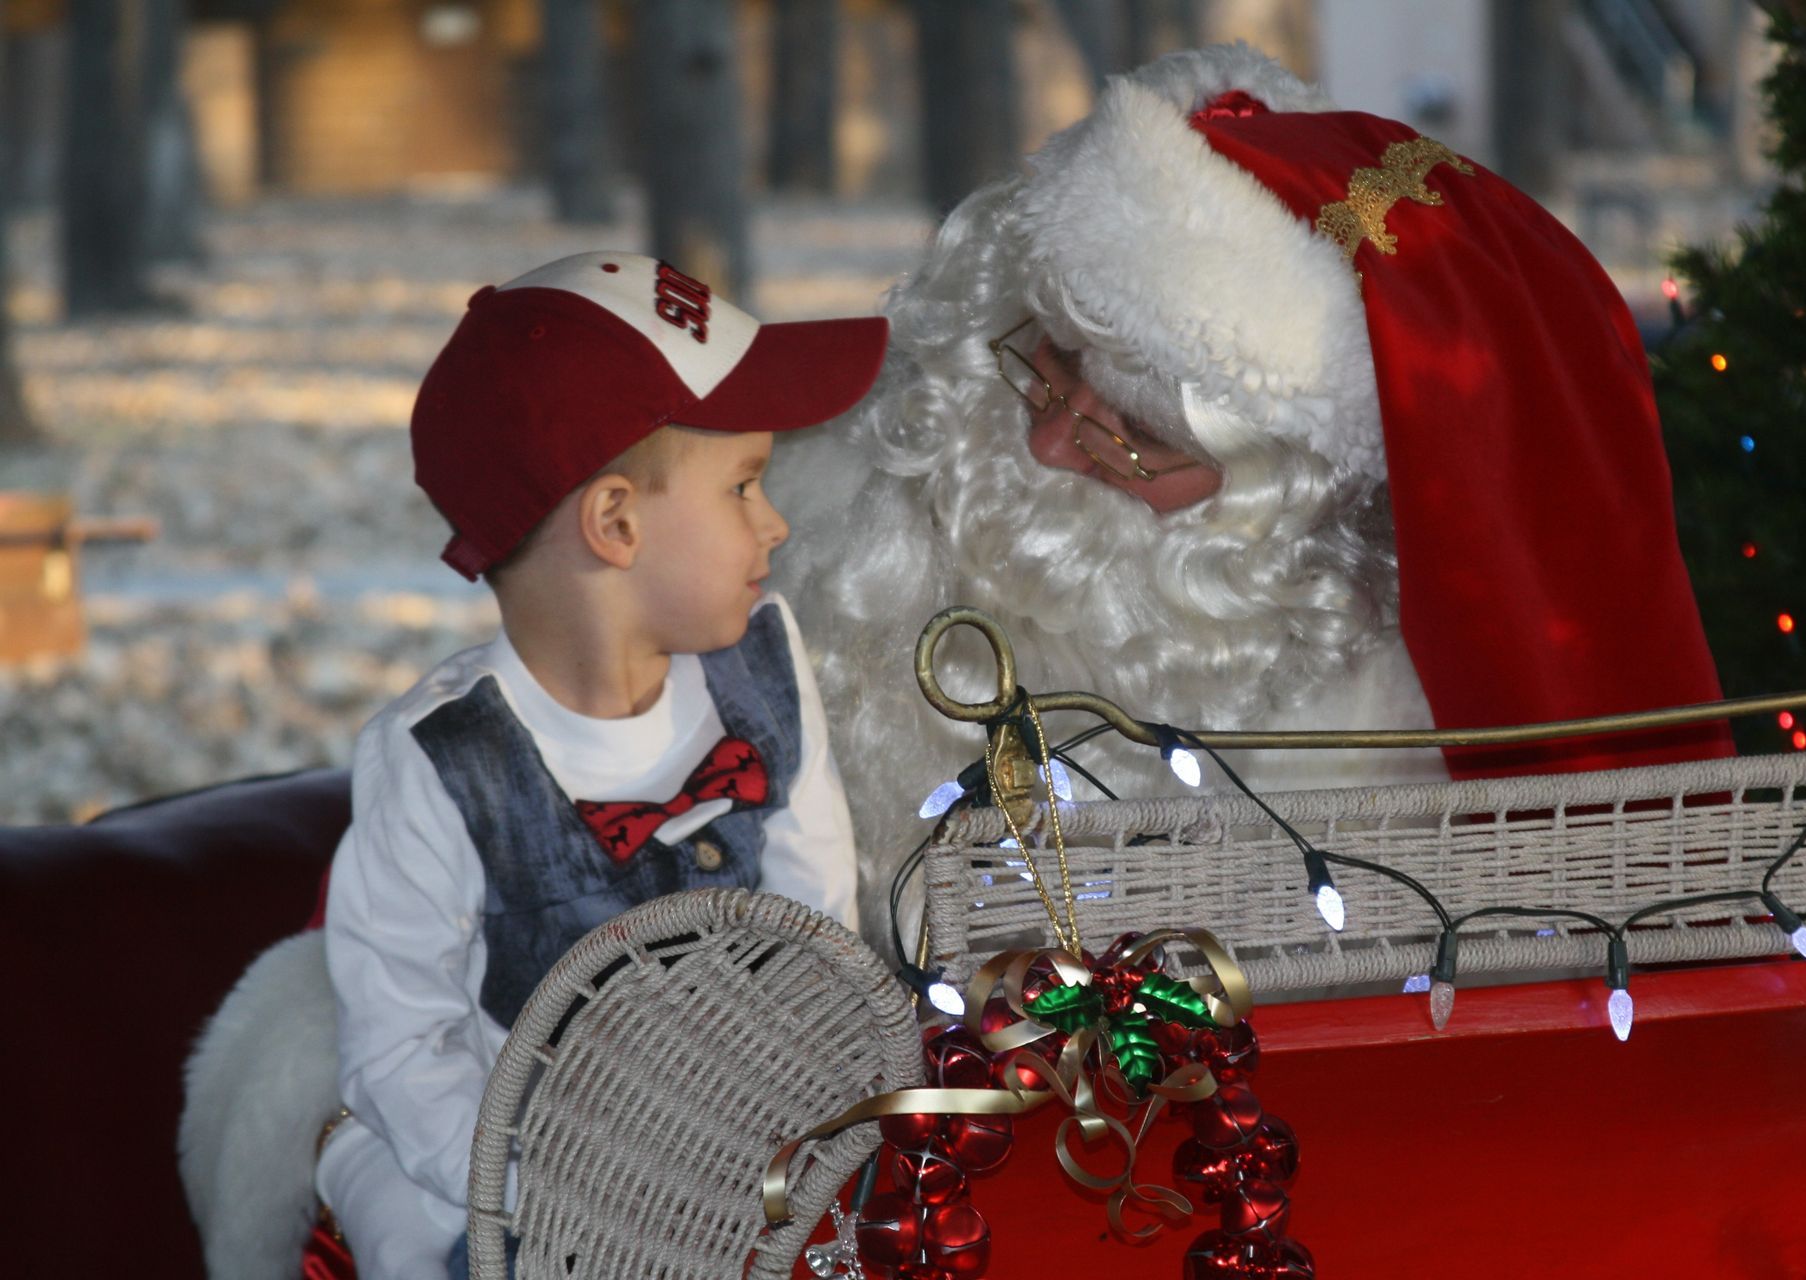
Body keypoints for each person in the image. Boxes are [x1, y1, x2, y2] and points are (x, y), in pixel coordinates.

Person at [768, 43, 1733, 944]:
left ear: (1282, 502)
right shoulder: (810, 522)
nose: (1049, 443)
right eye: (1053, 363)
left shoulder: (1369, 748)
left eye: (1136, 438)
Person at [315, 251, 888, 1278]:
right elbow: (402, 1047)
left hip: (736, 1144)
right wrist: (557, 1196)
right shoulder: (441, 762)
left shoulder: (763, 665)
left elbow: (817, 926)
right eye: (744, 486)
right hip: (521, 1167)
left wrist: (774, 1138)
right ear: (616, 522)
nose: (776, 524)